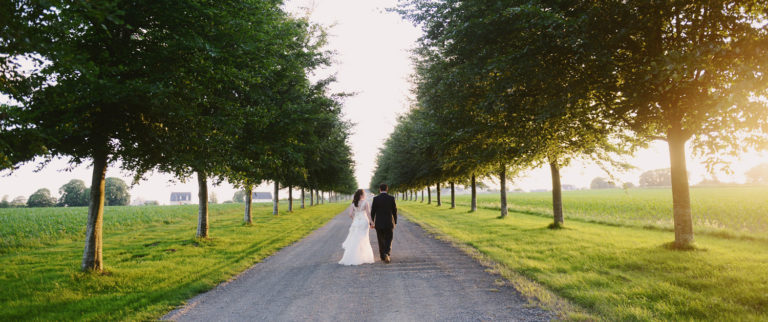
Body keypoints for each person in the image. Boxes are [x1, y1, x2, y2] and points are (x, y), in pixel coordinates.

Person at [338, 189, 375, 265]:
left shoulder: (353, 203)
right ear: (361, 195)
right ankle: (363, 256)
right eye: (364, 194)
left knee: (355, 238)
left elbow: (350, 214)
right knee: (364, 238)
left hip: (356, 222)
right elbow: (368, 214)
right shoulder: (365, 202)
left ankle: (353, 257)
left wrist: (354, 219)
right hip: (364, 221)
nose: (365, 195)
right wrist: (372, 222)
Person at [370, 183, 397, 263]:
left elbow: (373, 212)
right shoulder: (391, 198)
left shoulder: (376, 199)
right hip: (389, 222)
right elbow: (394, 211)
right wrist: (395, 221)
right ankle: (387, 253)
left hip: (379, 223)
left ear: (380, 189)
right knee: (389, 238)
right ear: (387, 189)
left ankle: (382, 256)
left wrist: (371, 223)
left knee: (380, 239)